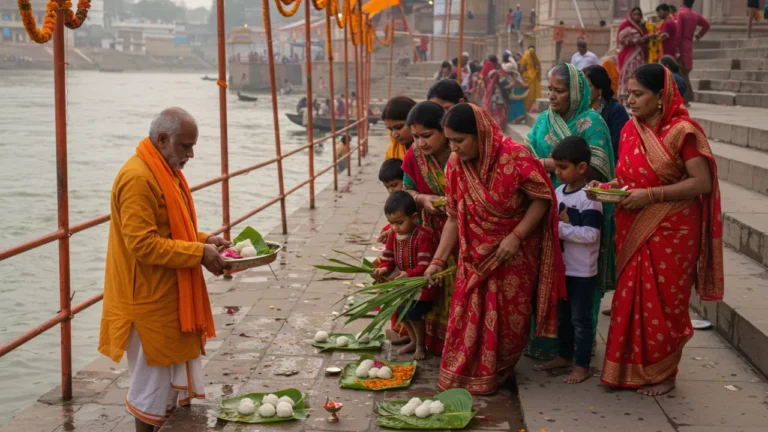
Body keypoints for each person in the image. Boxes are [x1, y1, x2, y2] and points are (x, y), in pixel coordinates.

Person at [99, 108, 231, 432]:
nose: (191, 154)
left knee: (165, 389)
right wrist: (199, 253)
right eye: (185, 146)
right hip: (147, 301)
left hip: (166, 294)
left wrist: (205, 240)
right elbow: (143, 245)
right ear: (162, 139)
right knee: (150, 389)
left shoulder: (164, 170)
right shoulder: (138, 178)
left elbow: (172, 230)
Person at [596, 63, 723, 396]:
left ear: (661, 96)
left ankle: (664, 374)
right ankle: (625, 371)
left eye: (639, 94)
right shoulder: (629, 130)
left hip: (673, 230)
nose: (631, 100)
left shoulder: (683, 132)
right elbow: (629, 179)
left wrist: (650, 196)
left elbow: (702, 183)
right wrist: (608, 187)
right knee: (629, 299)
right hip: (633, 223)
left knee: (665, 304)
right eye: (629, 94)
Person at [424, 103, 565, 394]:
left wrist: (516, 235)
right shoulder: (454, 165)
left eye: (459, 140)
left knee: (509, 323)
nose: (453, 147)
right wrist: (437, 261)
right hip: (472, 257)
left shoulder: (515, 155)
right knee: (465, 316)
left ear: (481, 134)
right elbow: (452, 216)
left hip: (512, 254)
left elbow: (541, 198)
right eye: (449, 140)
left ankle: (498, 370)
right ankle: (466, 374)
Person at [525, 63, 616, 361]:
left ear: (576, 93)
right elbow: (526, 154)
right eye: (550, 89)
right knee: (546, 277)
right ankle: (548, 343)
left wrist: (549, 164)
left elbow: (598, 169)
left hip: (580, 207)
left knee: (578, 285)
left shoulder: (592, 123)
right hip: (544, 205)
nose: (552, 96)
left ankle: (580, 347)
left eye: (559, 91)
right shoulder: (543, 120)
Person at [535, 136, 602, 384]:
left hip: (582, 271)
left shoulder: (590, 197)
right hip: (562, 269)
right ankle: (564, 355)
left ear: (581, 168)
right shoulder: (558, 192)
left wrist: (560, 229)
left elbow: (591, 234)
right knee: (563, 316)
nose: (558, 173)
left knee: (580, 319)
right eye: (556, 167)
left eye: (563, 167)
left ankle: (582, 365)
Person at [403, 101, 455, 355]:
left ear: (443, 131)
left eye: (427, 136)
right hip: (431, 231)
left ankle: (455, 344)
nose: (421, 143)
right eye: (415, 136)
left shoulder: (459, 152)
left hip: (462, 232)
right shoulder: (414, 155)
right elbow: (407, 189)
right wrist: (422, 199)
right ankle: (429, 343)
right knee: (431, 287)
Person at [373, 191, 438, 360]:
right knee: (400, 312)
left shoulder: (423, 237)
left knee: (414, 315)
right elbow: (387, 257)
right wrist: (383, 269)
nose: (394, 227)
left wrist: (408, 274)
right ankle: (413, 340)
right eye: (391, 223)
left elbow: (425, 266)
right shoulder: (394, 235)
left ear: (414, 217)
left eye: (399, 222)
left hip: (420, 286)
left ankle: (420, 345)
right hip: (403, 285)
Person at [583, 65, 630, 156]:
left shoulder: (616, 111)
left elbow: (619, 145)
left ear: (600, 88)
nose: (583, 91)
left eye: (588, 86)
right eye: (581, 86)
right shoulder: (580, 110)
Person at [677, 0, 710, 105]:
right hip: (689, 45)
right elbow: (707, 25)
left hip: (681, 45)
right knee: (685, 73)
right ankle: (686, 98)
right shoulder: (695, 15)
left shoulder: (680, 14)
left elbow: (678, 33)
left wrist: (676, 48)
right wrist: (698, 35)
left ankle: (685, 99)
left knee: (681, 74)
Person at [618, 7, 650, 98]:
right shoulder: (626, 25)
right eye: (634, 14)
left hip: (641, 56)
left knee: (640, 77)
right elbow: (620, 39)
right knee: (629, 76)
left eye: (639, 14)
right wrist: (638, 40)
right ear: (631, 15)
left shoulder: (644, 26)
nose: (637, 16)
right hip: (630, 56)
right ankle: (626, 97)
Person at [481, 55, 509, 129]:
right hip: (496, 94)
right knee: (498, 109)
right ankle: (497, 126)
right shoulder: (495, 73)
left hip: (489, 94)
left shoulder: (486, 74)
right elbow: (502, 82)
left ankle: (491, 126)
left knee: (492, 109)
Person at [502, 51, 529, 124]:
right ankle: (515, 118)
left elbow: (521, 83)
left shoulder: (516, 75)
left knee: (518, 104)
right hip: (512, 92)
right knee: (513, 104)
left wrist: (518, 82)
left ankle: (518, 118)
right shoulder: (506, 76)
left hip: (517, 91)